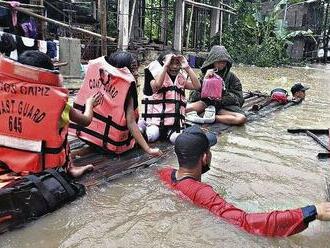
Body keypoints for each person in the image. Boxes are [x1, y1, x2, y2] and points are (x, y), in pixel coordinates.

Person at [158, 126, 330, 237]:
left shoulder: (165, 174)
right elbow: (245, 222)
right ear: (204, 157)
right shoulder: (203, 192)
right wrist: (310, 211)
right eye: (210, 151)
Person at [0, 51, 101, 177]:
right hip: (46, 170)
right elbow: (85, 120)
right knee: (61, 125)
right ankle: (70, 168)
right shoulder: (57, 102)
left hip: (5, 164)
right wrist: (90, 103)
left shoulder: (3, 93)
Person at [70, 51, 162, 158]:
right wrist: (148, 149)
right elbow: (131, 122)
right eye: (132, 69)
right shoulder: (126, 86)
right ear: (122, 69)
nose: (136, 73)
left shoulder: (100, 76)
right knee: (143, 129)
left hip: (90, 136)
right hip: (113, 143)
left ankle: (77, 153)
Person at [141, 51, 200, 143]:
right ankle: (142, 126)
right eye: (171, 63)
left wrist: (187, 67)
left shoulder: (181, 79)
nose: (174, 67)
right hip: (157, 122)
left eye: (177, 64)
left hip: (174, 123)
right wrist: (165, 66)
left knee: (176, 139)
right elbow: (157, 86)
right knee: (152, 135)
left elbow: (197, 86)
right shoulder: (155, 78)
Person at [186, 46, 247, 125]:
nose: (221, 64)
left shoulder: (232, 77)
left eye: (224, 62)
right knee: (182, 110)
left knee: (241, 119)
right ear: (213, 61)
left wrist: (223, 93)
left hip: (222, 107)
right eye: (219, 62)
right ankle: (204, 114)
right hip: (204, 105)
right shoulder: (204, 74)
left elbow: (240, 99)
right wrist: (204, 80)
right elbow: (192, 97)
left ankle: (212, 118)